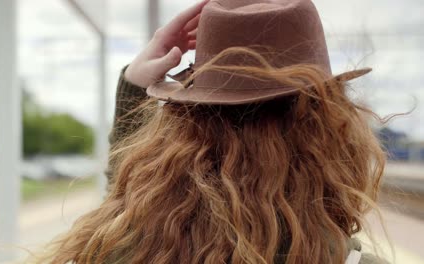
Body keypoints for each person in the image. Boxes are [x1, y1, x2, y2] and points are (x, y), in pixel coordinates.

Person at [33, 0, 389, 263]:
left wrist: (133, 88)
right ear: (330, 130)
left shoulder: (131, 246)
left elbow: (125, 201)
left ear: (181, 128)